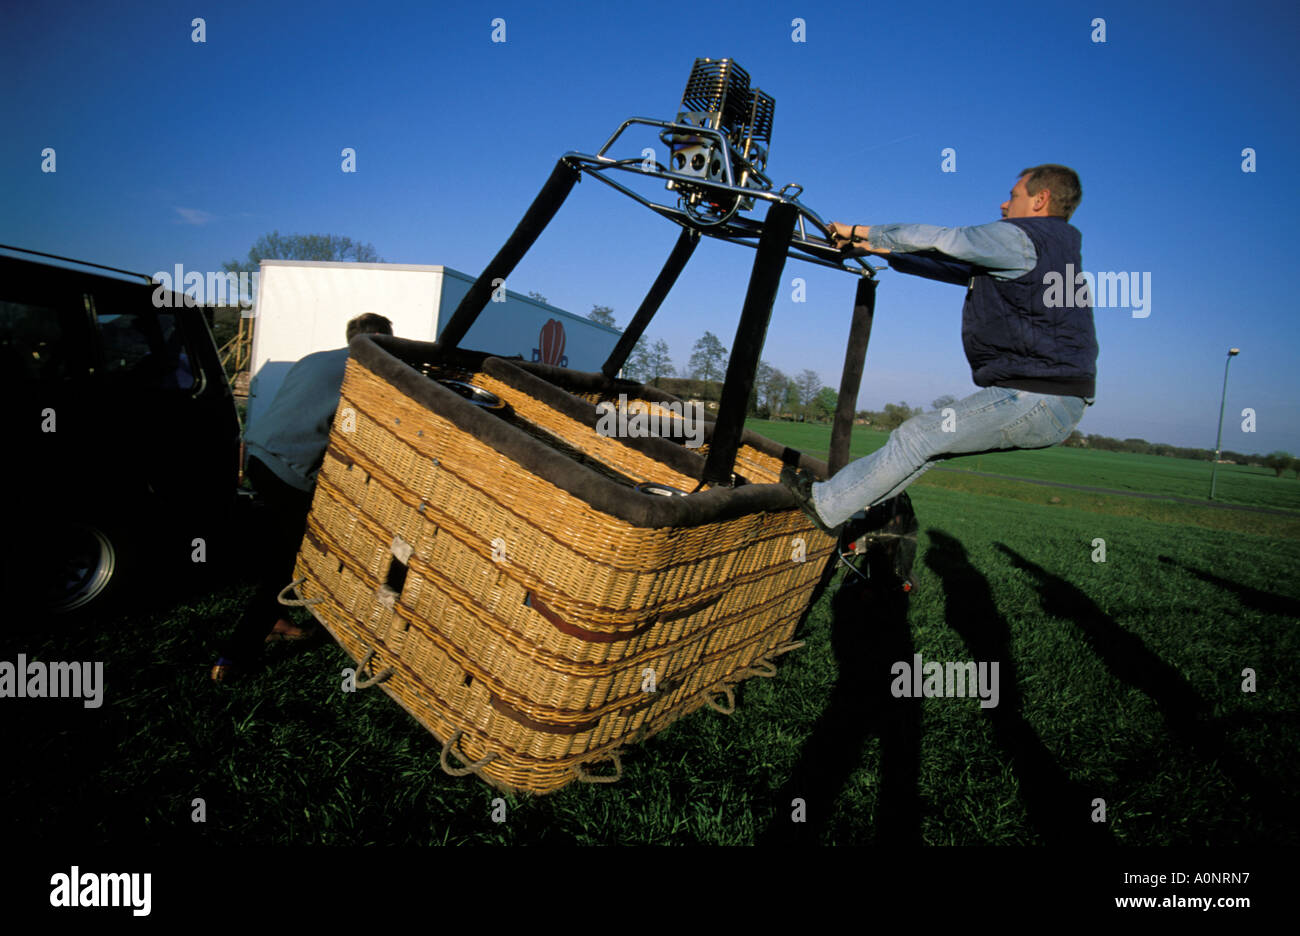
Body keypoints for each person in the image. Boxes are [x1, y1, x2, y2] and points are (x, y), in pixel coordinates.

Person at [782, 164, 1098, 533]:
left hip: (1037, 397)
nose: (1002, 204)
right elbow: (951, 266)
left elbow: (940, 239)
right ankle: (852, 508)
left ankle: (825, 505)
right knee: (930, 445)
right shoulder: (1051, 250)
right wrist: (880, 250)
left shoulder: (1023, 239)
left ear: (1040, 199)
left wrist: (857, 230)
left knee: (918, 435)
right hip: (1053, 399)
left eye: (1013, 196)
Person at [210, 312, 394, 683]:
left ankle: (277, 617)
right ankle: (234, 657)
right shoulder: (365, 371)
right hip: (289, 470)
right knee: (288, 560)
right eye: (388, 343)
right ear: (375, 339)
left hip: (257, 454)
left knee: (278, 545)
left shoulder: (314, 359)